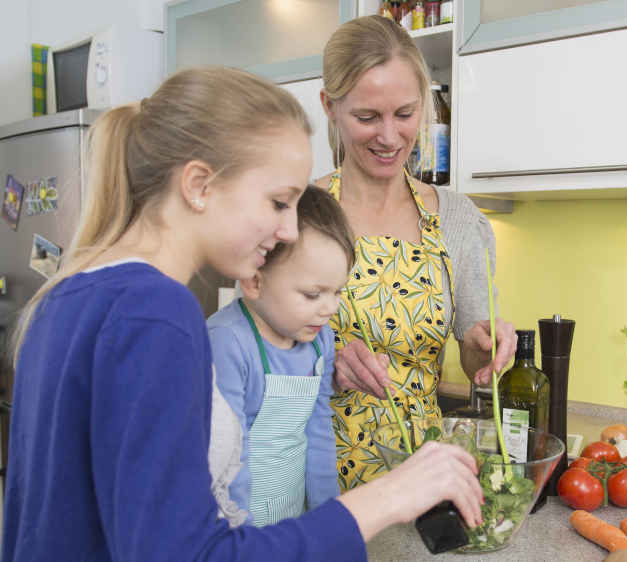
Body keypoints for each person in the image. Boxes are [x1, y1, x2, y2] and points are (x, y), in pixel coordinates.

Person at [2, 66, 482, 562]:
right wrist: (390, 495)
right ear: (199, 185)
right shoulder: (155, 314)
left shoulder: (67, 294)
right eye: (279, 202)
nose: (291, 230)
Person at [316, 15, 517, 488]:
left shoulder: (458, 219)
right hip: (313, 479)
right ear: (330, 107)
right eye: (367, 117)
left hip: (417, 478)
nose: (389, 137)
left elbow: (475, 365)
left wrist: (481, 350)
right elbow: (255, 359)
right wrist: (326, 362)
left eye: (405, 114)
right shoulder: (301, 214)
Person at [207, 186, 366, 527]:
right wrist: (244, 539)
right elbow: (226, 460)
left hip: (290, 519)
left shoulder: (320, 338)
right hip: (238, 529)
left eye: (338, 291)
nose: (329, 308)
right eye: (312, 294)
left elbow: (319, 430)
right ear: (254, 281)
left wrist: (329, 520)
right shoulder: (228, 343)